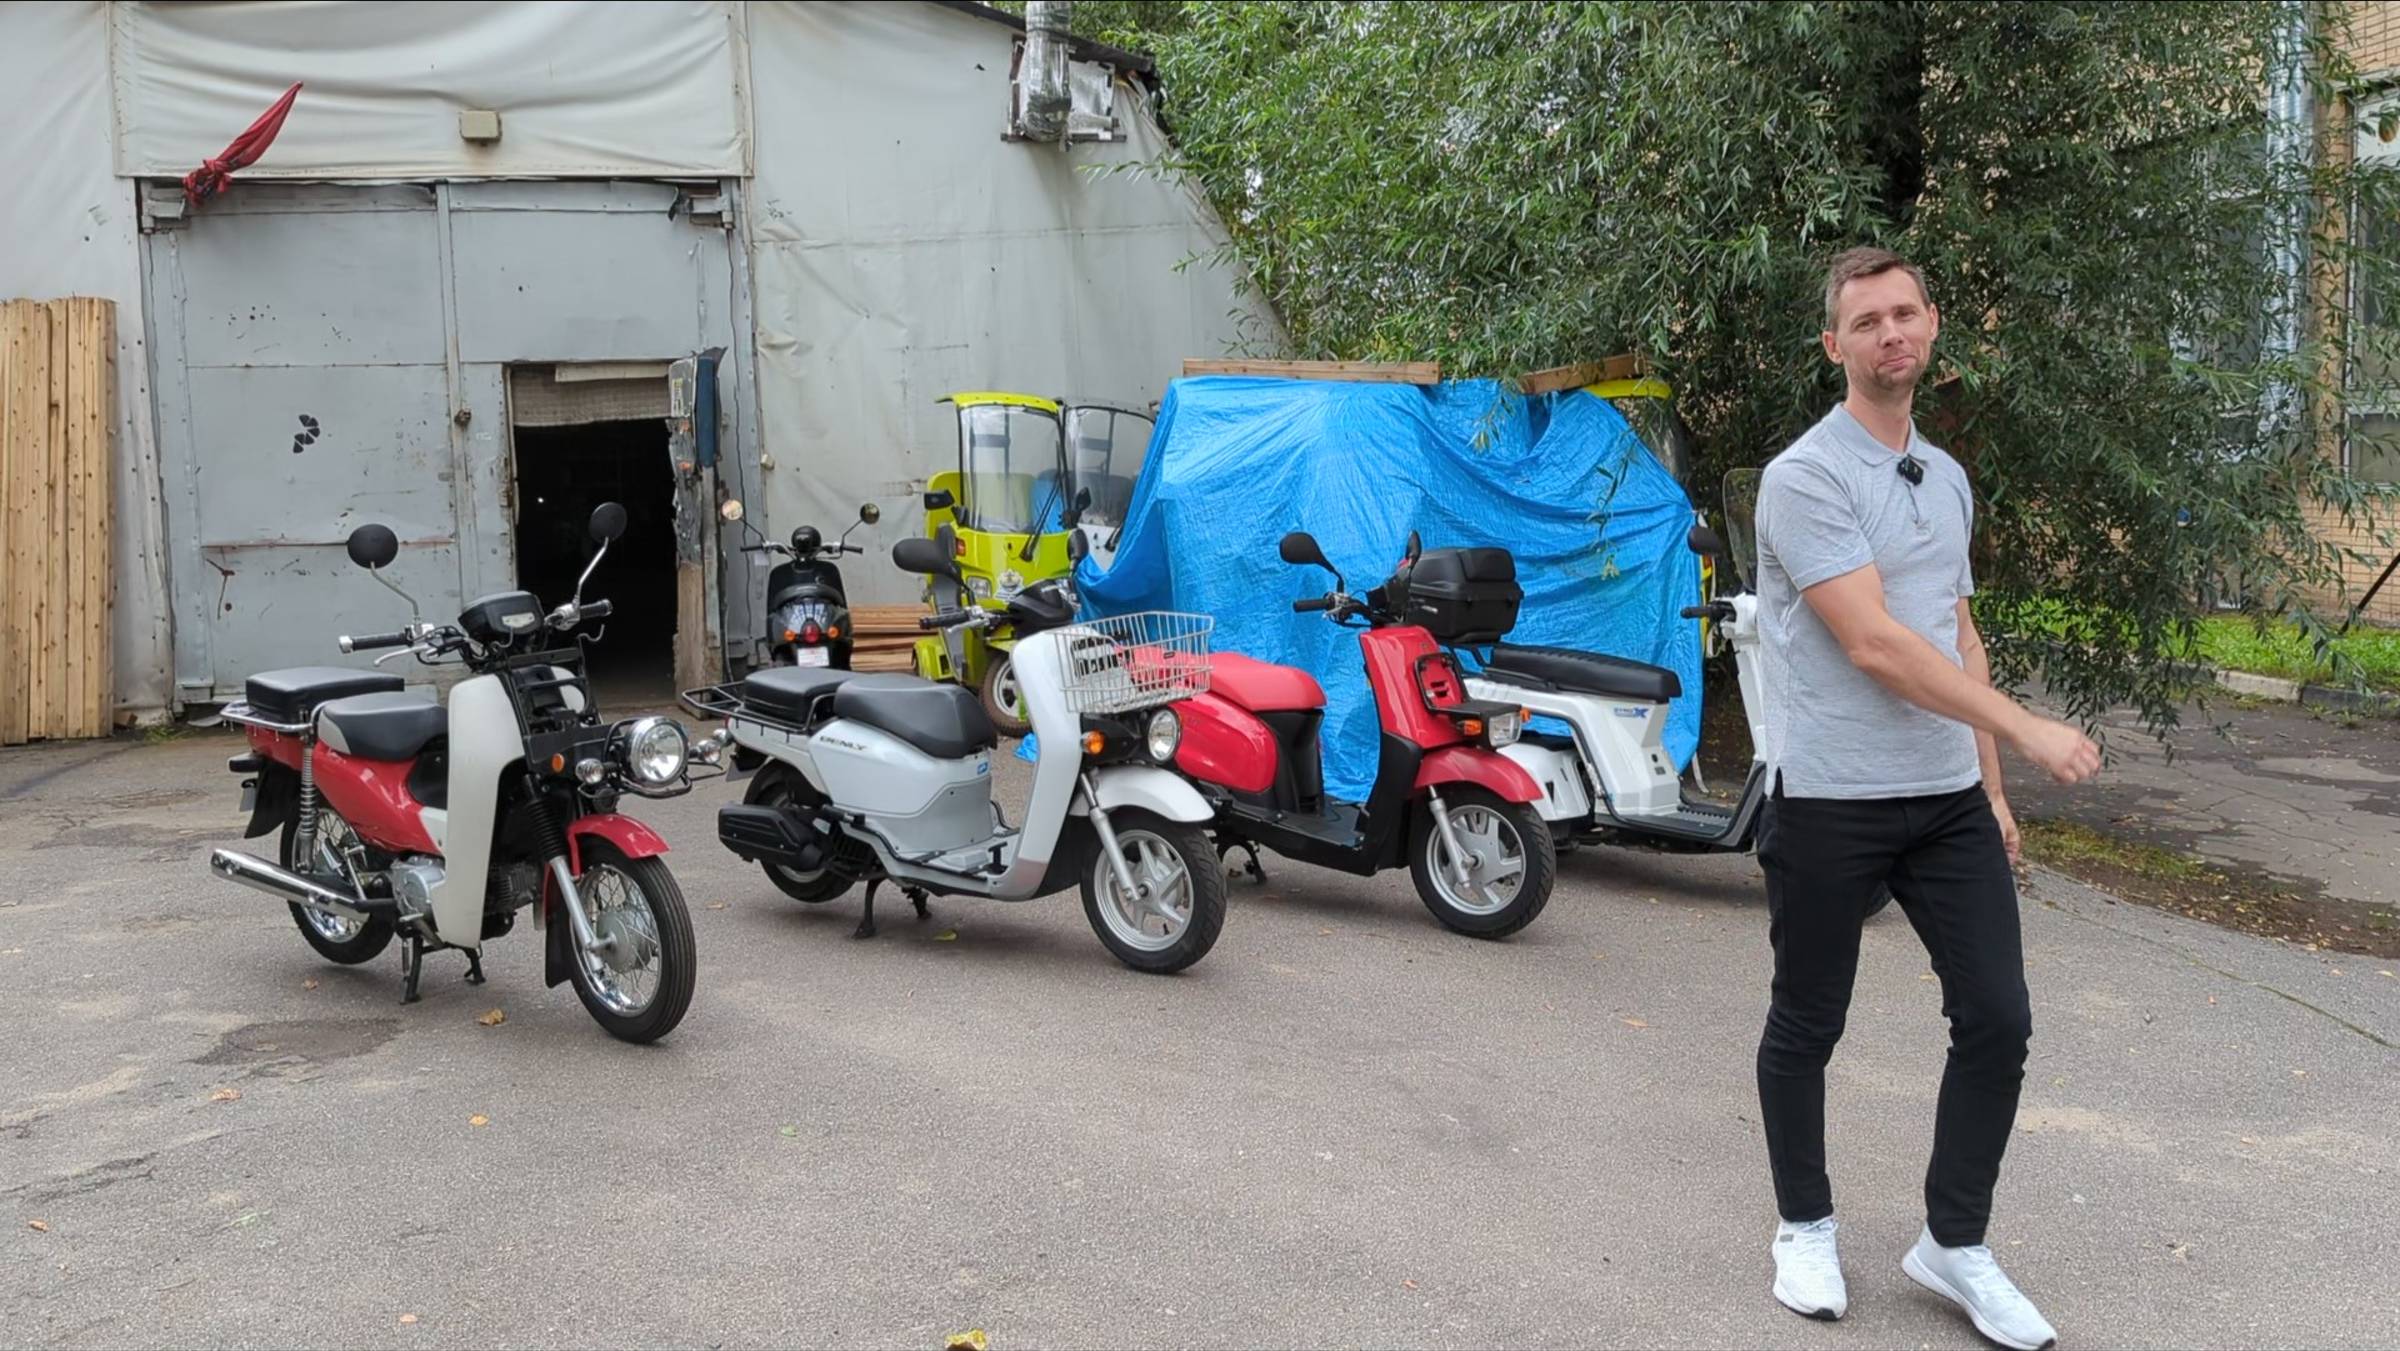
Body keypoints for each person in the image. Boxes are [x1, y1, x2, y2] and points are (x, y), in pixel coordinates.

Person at [1750, 246, 2101, 1351]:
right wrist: (2028, 728)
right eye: (1867, 321)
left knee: (1998, 1017)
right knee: (1809, 1019)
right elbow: (1874, 643)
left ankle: (1954, 1241)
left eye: (1905, 313)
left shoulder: (1944, 476)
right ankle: (1805, 1226)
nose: (1890, 333)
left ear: (1934, 325)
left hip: (1946, 800)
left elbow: (1955, 634)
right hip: (1833, 796)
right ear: (1836, 345)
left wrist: (1991, 785)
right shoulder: (1805, 476)